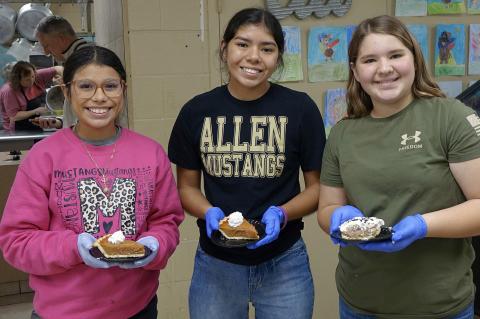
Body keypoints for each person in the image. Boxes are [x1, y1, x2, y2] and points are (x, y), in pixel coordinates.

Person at [0, 45, 184, 319]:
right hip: (62, 312)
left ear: (123, 89)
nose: (99, 97)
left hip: (138, 309)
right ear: (67, 91)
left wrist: (155, 245)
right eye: (86, 86)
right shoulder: (44, 157)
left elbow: (166, 221)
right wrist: (73, 247)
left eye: (110, 86)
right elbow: (16, 242)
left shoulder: (150, 153)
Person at [317, 15, 480, 318]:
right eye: (369, 60)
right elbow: (326, 210)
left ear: (414, 59)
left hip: (439, 306)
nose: (384, 68)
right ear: (355, 70)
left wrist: (422, 226)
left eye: (395, 55)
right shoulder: (342, 133)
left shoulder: (450, 117)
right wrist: (338, 217)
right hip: (359, 304)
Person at [168, 7, 326, 319]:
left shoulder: (300, 109)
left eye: (267, 48)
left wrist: (282, 214)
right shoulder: (196, 111)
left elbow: (318, 187)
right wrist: (208, 212)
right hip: (216, 261)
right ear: (224, 48)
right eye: (242, 44)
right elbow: (186, 187)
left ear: (278, 57)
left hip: (285, 260)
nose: (254, 56)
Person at [32, 15, 91, 129]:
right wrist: (59, 122)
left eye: (46, 45)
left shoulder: (85, 58)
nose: (46, 53)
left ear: (61, 39)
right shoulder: (74, 58)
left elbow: (92, 109)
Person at [0, 61, 62, 131]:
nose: (32, 80)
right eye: (27, 80)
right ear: (17, 79)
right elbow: (14, 116)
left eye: (33, 77)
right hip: (18, 130)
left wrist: (65, 79)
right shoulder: (9, 91)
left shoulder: (34, 74)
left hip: (38, 124)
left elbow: (58, 69)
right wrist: (34, 111)